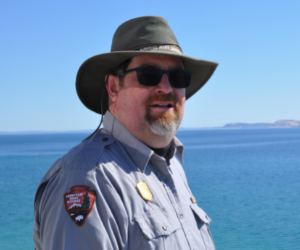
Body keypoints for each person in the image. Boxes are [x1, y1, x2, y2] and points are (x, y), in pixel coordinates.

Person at [33, 16, 218, 250]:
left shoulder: (172, 166)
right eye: (148, 75)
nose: (167, 87)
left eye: (178, 77)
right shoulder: (87, 178)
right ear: (113, 87)